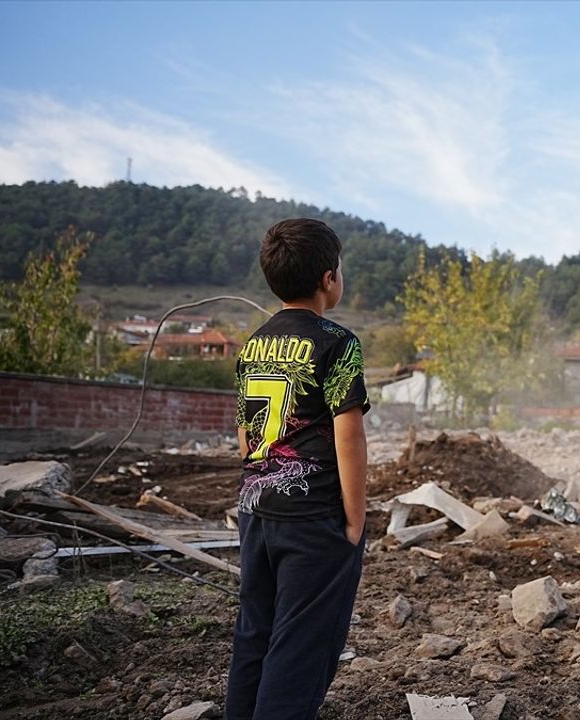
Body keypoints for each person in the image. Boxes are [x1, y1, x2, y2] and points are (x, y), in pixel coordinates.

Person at [225, 218, 370, 720]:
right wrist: (354, 520)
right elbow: (346, 433)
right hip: (314, 520)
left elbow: (246, 430)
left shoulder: (252, 345)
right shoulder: (337, 342)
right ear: (329, 278)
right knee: (302, 646)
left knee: (255, 633)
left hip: (257, 510)